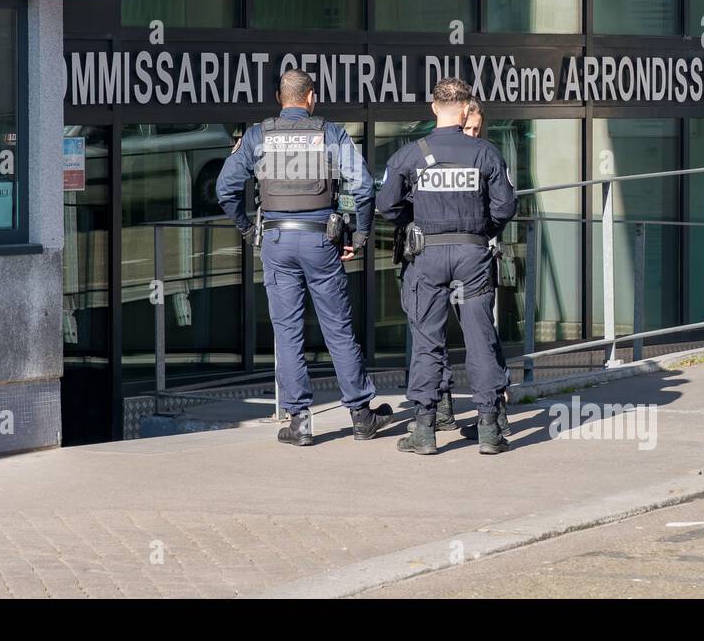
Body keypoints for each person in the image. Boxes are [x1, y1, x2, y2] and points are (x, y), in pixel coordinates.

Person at [217, 69, 391, 446]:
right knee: (337, 328)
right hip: (320, 241)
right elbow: (362, 187)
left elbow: (225, 188)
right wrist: (360, 234)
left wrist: (248, 229)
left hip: (278, 243)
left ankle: (299, 421)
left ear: (281, 98)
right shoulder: (330, 133)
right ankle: (361, 415)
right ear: (311, 97)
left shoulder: (257, 135)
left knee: (287, 330)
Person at [378, 78, 517, 455]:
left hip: (426, 255)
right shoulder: (485, 153)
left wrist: (416, 217)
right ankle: (489, 428)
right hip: (473, 253)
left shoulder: (410, 155)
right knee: (480, 340)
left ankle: (425, 430)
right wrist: (479, 231)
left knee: (427, 342)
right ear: (465, 107)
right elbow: (505, 207)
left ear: (433, 107)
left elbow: (386, 205)